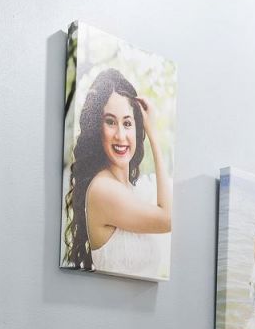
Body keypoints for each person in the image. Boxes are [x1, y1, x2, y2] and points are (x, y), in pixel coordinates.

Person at [62, 68, 172, 277]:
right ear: (97, 127)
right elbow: (168, 219)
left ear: (137, 128)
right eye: (110, 122)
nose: (121, 135)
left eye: (127, 123)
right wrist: (154, 134)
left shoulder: (131, 191)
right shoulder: (103, 189)